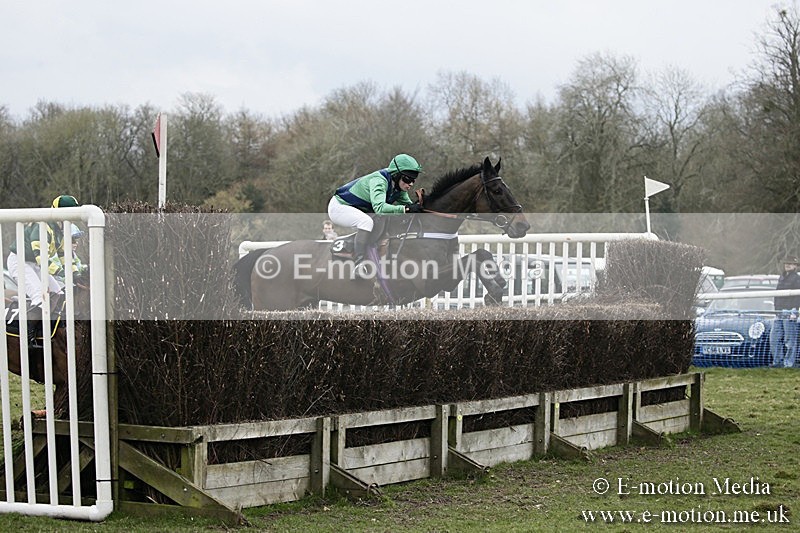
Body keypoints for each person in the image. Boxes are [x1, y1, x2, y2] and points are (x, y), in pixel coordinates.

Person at [327, 154, 424, 278]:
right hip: (339, 207)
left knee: (380, 220)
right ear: (396, 175)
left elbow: (409, 207)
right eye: (407, 179)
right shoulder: (379, 180)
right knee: (366, 222)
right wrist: (406, 209)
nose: (410, 184)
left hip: (356, 208)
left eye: (413, 181)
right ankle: (359, 264)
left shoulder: (399, 189)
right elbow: (380, 208)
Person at [7, 195, 80, 347]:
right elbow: (42, 258)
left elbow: (63, 257)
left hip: (35, 263)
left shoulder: (61, 229)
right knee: (40, 297)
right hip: (20, 261)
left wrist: (76, 274)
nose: (72, 219)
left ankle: (46, 331)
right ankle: (27, 337)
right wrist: (62, 272)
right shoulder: (42, 226)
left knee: (58, 293)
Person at [770, 255, 800, 368]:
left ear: (795, 266)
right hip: (779, 312)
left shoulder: (797, 279)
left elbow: (797, 297)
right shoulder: (782, 278)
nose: (787, 265)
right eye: (786, 263)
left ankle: (789, 364)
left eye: (791, 263)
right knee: (774, 338)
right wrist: (776, 309)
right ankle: (777, 362)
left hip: (789, 311)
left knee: (790, 340)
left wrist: (794, 311)